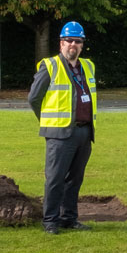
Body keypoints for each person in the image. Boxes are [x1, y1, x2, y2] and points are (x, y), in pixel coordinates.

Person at [28, 21, 97, 234]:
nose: (73, 45)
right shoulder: (49, 66)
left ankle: (69, 218)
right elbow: (34, 98)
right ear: (61, 43)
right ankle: (50, 221)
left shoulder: (88, 66)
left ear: (82, 44)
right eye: (69, 41)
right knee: (55, 179)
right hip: (59, 133)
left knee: (75, 179)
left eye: (77, 41)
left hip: (84, 131)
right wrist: (47, 120)